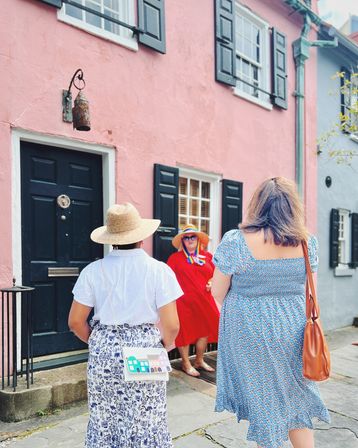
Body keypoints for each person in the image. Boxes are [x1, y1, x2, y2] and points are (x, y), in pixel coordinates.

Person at [211, 177, 330, 448]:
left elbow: (217, 292)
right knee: (296, 399)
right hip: (294, 328)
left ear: (258, 205)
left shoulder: (236, 241)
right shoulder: (306, 242)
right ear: (292, 207)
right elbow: (311, 291)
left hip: (250, 330)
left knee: (264, 402)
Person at [68, 203, 183, 448]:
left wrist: (99, 341)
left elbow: (76, 322)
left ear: (111, 240)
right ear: (141, 238)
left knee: (104, 417)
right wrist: (163, 344)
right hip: (147, 347)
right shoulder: (159, 270)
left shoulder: (92, 271)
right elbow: (172, 324)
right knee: (147, 417)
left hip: (104, 351)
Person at [167, 224, 220, 377]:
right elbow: (168, 279)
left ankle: (199, 360)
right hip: (183, 302)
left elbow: (216, 274)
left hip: (204, 300)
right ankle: (185, 363)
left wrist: (211, 281)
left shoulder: (208, 256)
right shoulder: (175, 258)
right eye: (186, 237)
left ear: (198, 240)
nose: (190, 240)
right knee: (185, 331)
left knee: (204, 330)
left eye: (193, 237)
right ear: (182, 241)